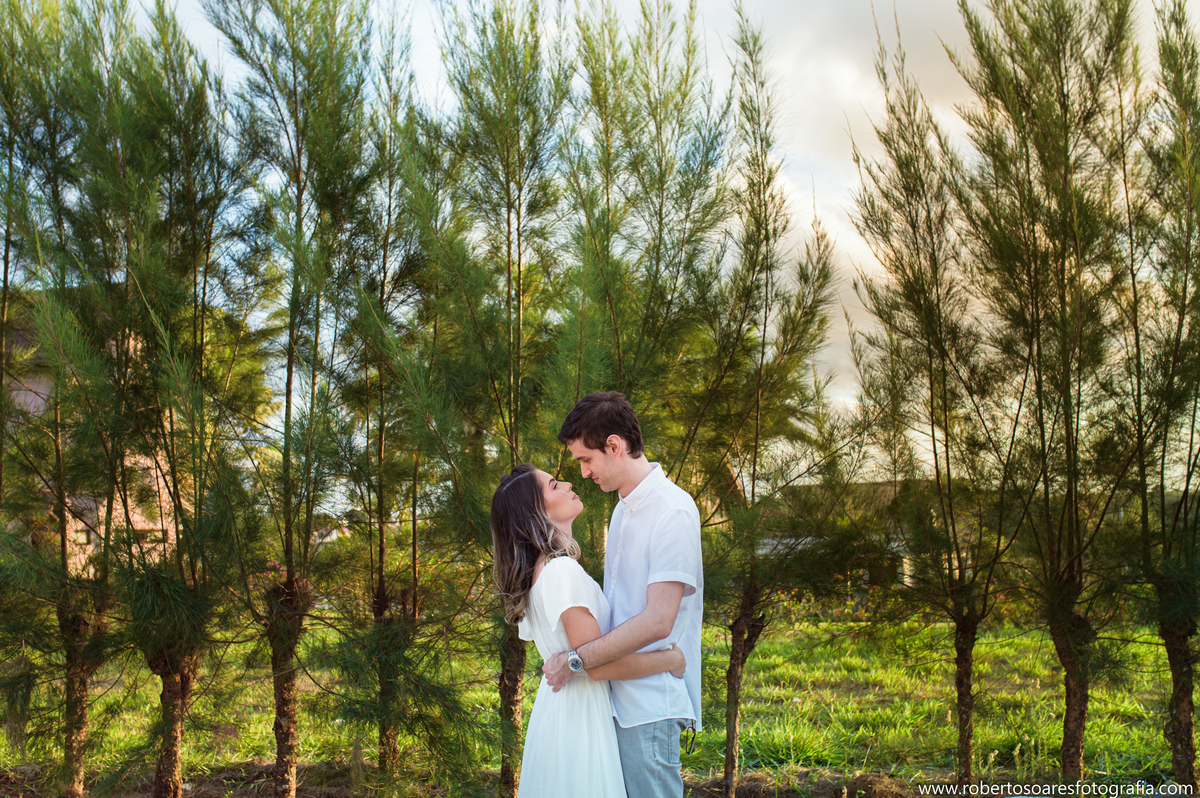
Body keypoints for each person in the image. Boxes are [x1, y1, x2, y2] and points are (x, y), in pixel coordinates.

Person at [490, 463, 687, 797]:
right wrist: (669, 660)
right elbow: (598, 665)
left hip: (563, 709)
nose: (568, 483)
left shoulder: (542, 572)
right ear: (536, 513)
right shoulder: (561, 571)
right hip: (579, 716)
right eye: (554, 485)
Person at [543, 391, 704, 798]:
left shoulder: (673, 510)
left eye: (585, 459)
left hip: (650, 708)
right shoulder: (622, 509)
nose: (582, 473)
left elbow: (657, 620)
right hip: (616, 702)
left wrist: (577, 661)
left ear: (614, 446)